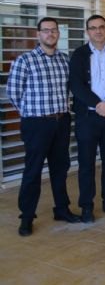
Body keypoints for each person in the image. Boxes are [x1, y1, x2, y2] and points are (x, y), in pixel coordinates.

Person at [7, 17, 81, 236]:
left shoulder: (64, 60)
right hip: (36, 123)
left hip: (61, 121)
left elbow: (70, 88)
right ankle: (27, 217)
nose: (50, 34)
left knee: (60, 168)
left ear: (58, 34)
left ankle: (62, 209)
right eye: (46, 30)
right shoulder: (25, 60)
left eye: (54, 30)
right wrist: (31, 113)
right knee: (33, 170)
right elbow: (13, 93)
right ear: (38, 34)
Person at [69, 14, 105, 223]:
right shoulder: (79, 54)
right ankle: (86, 206)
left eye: (101, 27)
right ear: (88, 32)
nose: (98, 31)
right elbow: (76, 86)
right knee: (86, 164)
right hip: (88, 117)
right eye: (93, 28)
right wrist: (98, 105)